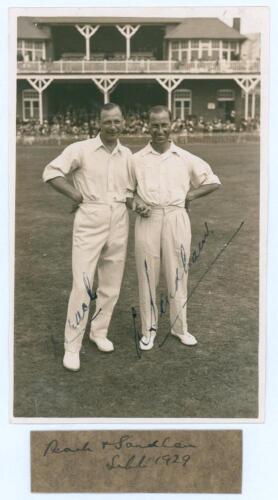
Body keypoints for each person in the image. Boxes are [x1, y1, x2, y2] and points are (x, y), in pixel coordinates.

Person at [42, 103, 134, 371]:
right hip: (90, 218)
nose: (113, 126)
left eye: (117, 121)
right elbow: (51, 172)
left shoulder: (127, 154)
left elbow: (129, 191)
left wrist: (136, 203)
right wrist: (75, 195)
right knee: (83, 284)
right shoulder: (80, 149)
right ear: (99, 122)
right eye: (108, 122)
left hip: (119, 218)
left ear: (123, 121)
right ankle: (72, 346)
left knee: (111, 283)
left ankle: (99, 332)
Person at [131, 105, 221, 350]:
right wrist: (136, 202)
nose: (159, 130)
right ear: (146, 126)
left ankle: (180, 328)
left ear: (171, 124)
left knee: (178, 274)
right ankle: (148, 330)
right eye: (154, 125)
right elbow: (126, 192)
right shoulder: (136, 159)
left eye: (163, 124)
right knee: (148, 274)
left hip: (176, 216)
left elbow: (213, 181)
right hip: (148, 219)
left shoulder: (185, 157)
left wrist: (191, 195)